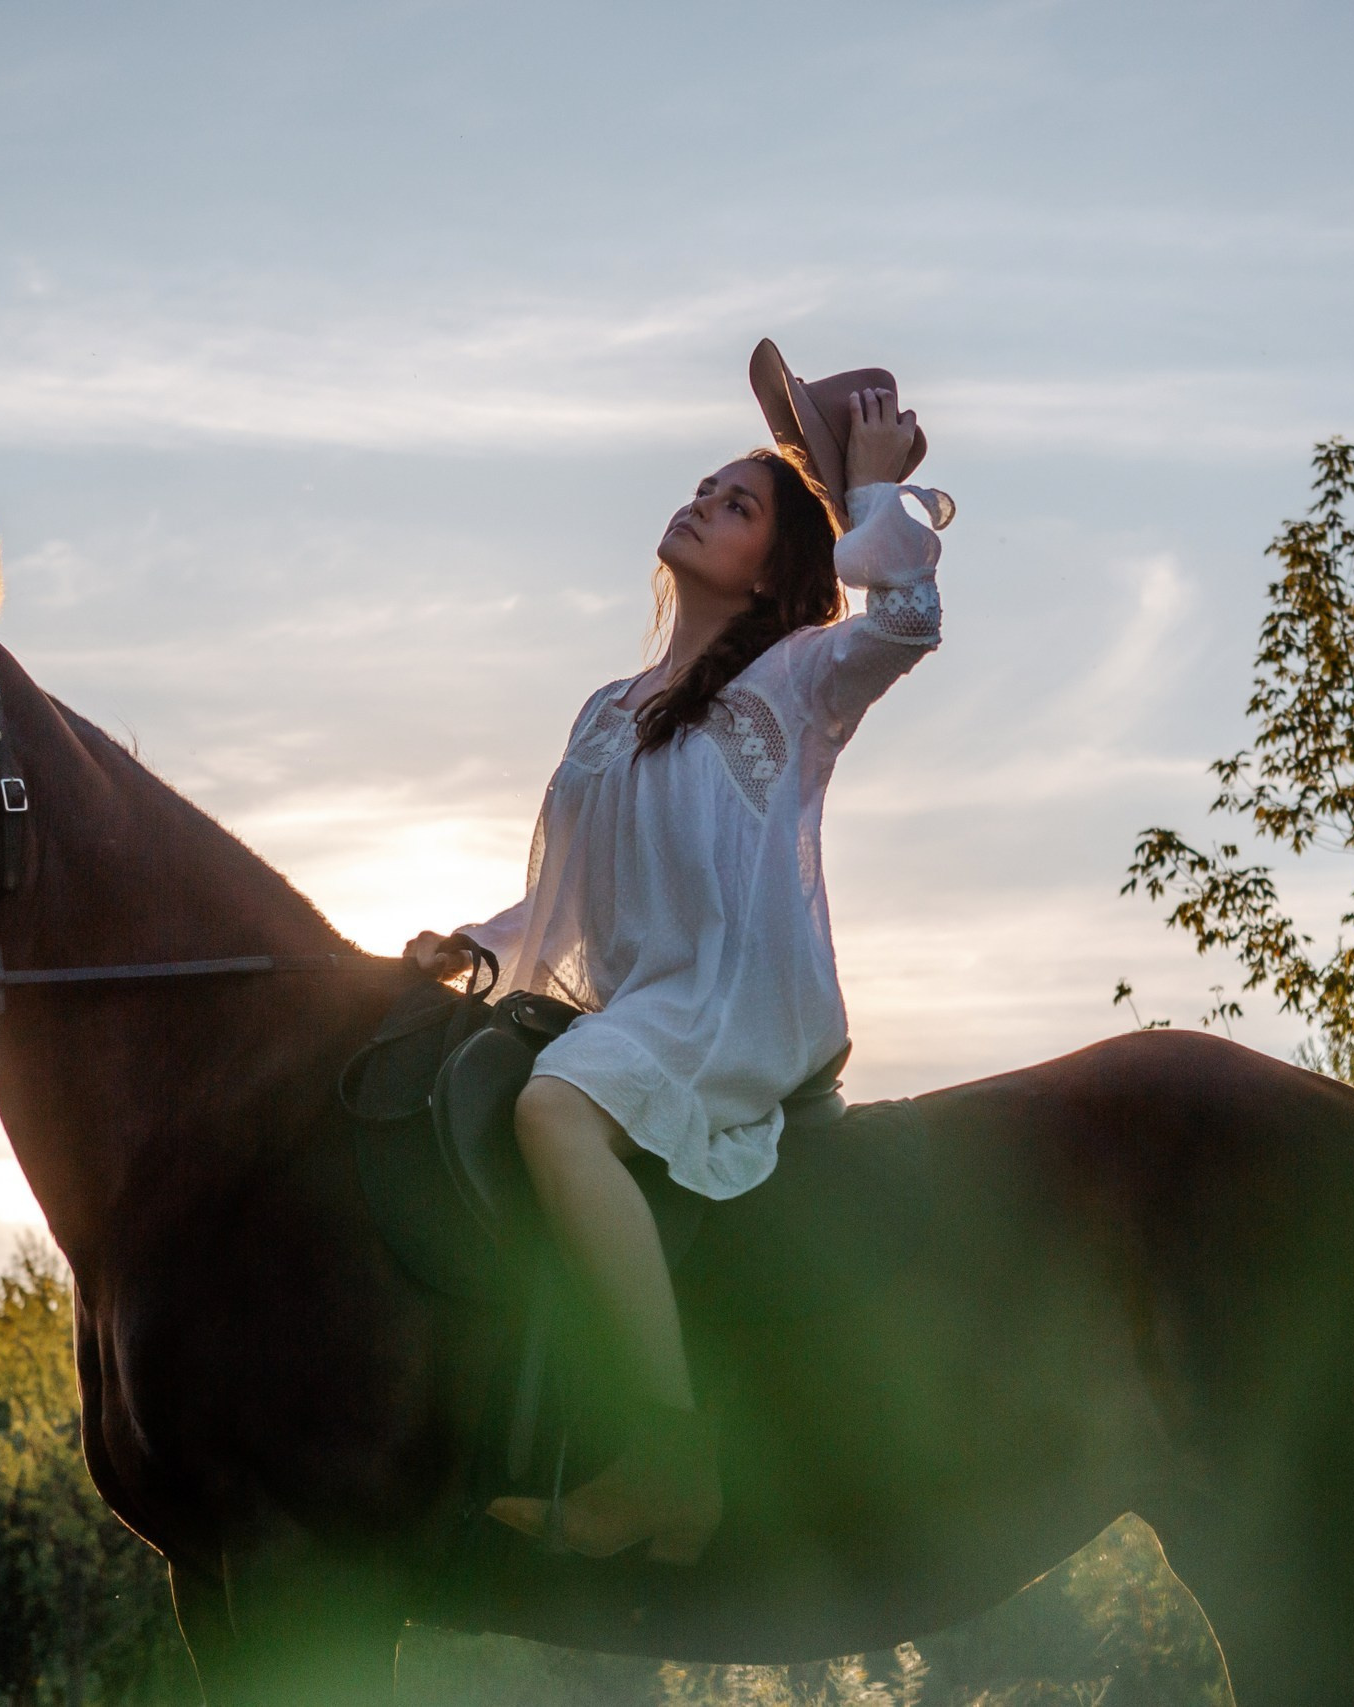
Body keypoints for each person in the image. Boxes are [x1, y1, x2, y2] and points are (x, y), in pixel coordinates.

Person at [404, 341, 953, 1564]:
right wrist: (472, 950)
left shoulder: (800, 680)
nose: (704, 502)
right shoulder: (608, 708)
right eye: (706, 488)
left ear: (775, 574)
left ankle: (667, 1456)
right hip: (646, 1004)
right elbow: (566, 907)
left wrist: (863, 489)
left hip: (735, 1007)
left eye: (739, 502)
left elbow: (910, 614)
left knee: (552, 1111)